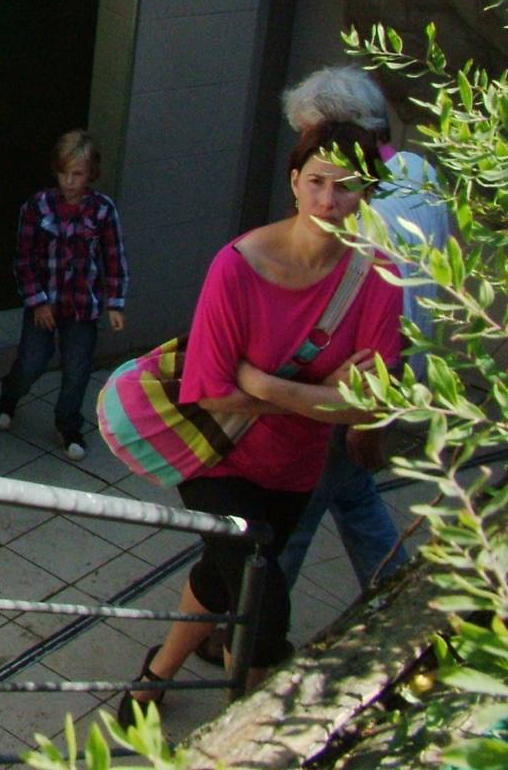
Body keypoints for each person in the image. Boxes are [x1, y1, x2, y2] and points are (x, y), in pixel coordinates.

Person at [118, 122, 403, 723]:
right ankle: (248, 726)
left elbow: (368, 405)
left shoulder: (378, 278)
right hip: (215, 454)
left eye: (346, 186)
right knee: (265, 609)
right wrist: (318, 394)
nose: (329, 200)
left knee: (222, 579)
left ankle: (157, 672)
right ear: (294, 182)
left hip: (293, 467)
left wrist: (269, 385)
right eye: (318, 181)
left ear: (366, 194)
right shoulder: (238, 265)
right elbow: (212, 391)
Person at [274, 66, 452, 592]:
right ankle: (392, 595)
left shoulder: (359, 213)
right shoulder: (419, 171)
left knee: (294, 523)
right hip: (404, 373)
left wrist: (363, 415)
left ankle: (255, 635)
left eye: (311, 136)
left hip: (352, 388)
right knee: (354, 495)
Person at [0, 130, 129, 461]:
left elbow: (114, 257)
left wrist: (116, 302)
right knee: (32, 362)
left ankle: (68, 423)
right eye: (64, 173)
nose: (70, 181)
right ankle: (10, 395)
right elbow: (23, 260)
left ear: (90, 174)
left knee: (78, 369)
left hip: (83, 307)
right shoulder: (38, 207)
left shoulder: (102, 210)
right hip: (46, 303)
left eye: (78, 174)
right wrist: (37, 301)